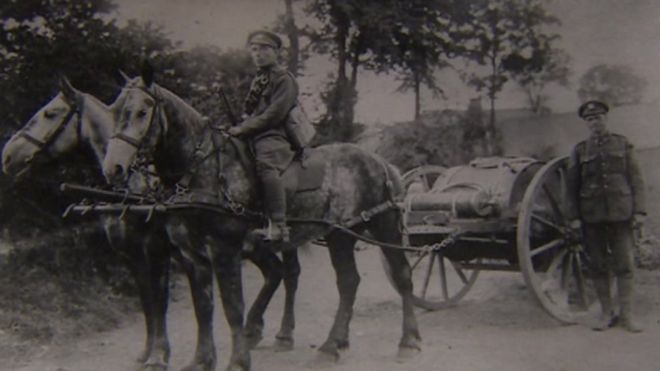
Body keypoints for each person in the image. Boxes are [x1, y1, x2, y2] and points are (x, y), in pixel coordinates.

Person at [567, 100, 646, 333]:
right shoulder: (580, 150)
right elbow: (571, 188)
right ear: (586, 123)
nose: (595, 122)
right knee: (598, 266)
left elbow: (637, 180)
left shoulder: (623, 144)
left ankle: (627, 315)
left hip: (621, 214)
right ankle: (606, 314)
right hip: (592, 217)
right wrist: (574, 217)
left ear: (606, 119)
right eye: (590, 119)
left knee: (625, 264)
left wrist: (639, 212)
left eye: (598, 117)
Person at [228, 30, 297, 243]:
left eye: (265, 49)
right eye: (254, 49)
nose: (258, 54)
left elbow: (274, 114)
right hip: (255, 133)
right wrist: (239, 125)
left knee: (266, 166)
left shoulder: (284, 79)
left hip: (275, 135)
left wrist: (244, 128)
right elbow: (251, 112)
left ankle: (278, 225)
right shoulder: (260, 80)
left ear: (276, 52)